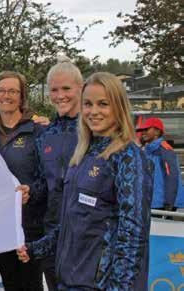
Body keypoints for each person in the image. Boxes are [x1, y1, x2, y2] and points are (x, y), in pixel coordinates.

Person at [18, 72, 153, 290]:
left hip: (102, 284)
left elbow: (134, 235)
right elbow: (73, 220)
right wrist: (36, 248)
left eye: (103, 104)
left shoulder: (129, 157)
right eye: (88, 104)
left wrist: (118, 287)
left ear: (118, 107)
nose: (94, 111)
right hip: (72, 280)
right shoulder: (83, 154)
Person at [0, 71, 45, 291]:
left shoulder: (38, 130)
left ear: (22, 96)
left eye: (13, 91)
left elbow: (48, 176)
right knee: (10, 282)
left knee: (31, 284)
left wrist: (32, 192)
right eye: (2, 90)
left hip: (30, 224)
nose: (6, 96)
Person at [34, 58, 83, 290]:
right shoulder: (45, 133)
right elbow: (44, 183)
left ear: (80, 89)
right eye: (54, 89)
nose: (60, 95)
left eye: (66, 88)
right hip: (53, 230)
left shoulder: (95, 130)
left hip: (86, 233)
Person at [136, 117, 183, 212]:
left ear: (157, 132)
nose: (143, 132)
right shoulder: (147, 151)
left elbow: (172, 176)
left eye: (147, 129)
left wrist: (169, 203)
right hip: (154, 201)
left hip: (162, 203)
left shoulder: (164, 151)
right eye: (142, 130)